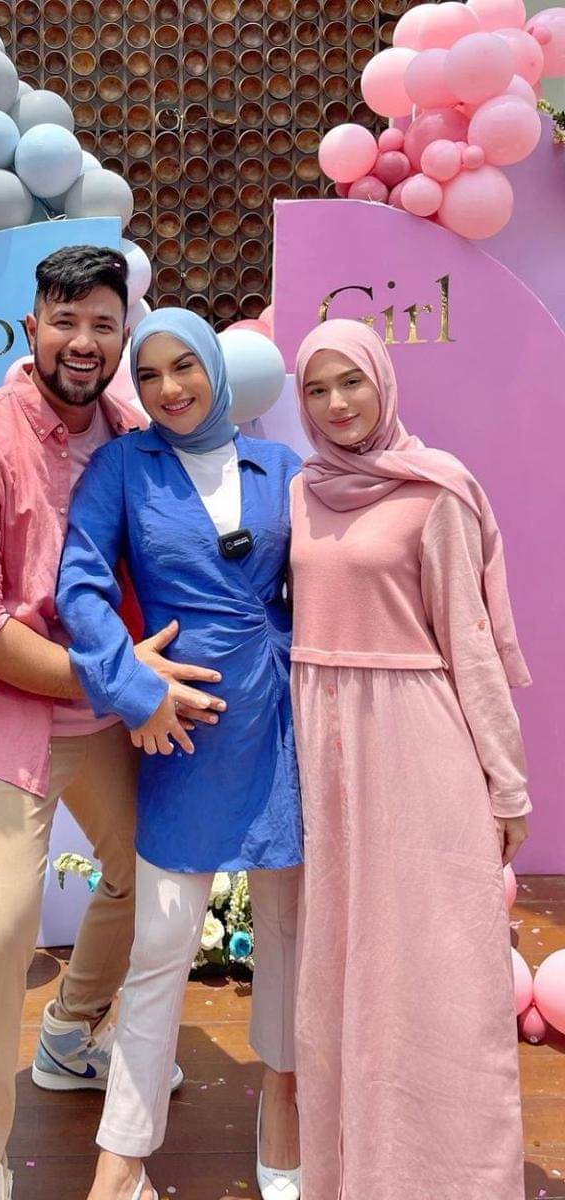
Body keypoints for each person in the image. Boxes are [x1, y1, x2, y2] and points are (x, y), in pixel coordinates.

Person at [0, 247, 224, 1200]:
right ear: (32, 327)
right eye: (65, 321)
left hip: (105, 710)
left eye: (103, 323)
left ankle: (72, 1032)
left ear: (125, 334)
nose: (83, 342)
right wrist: (126, 679)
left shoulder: (135, 431)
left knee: (155, 876)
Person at [55, 308, 304, 1200]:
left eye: (184, 367)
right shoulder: (124, 466)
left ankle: (285, 1105)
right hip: (180, 729)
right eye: (150, 373)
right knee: (161, 942)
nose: (169, 388)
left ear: (215, 370)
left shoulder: (282, 468)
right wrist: (131, 688)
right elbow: (80, 585)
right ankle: (121, 1158)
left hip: (283, 721)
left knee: (289, 935)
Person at [289, 319, 530, 1200]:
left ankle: (457, 1177)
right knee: (342, 970)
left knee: (436, 967)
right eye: (317, 389)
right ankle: (358, 1171)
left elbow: (470, 643)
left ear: (383, 382)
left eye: (351, 381)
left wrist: (506, 783)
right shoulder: (301, 490)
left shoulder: (438, 490)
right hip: (325, 752)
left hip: (416, 744)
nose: (336, 403)